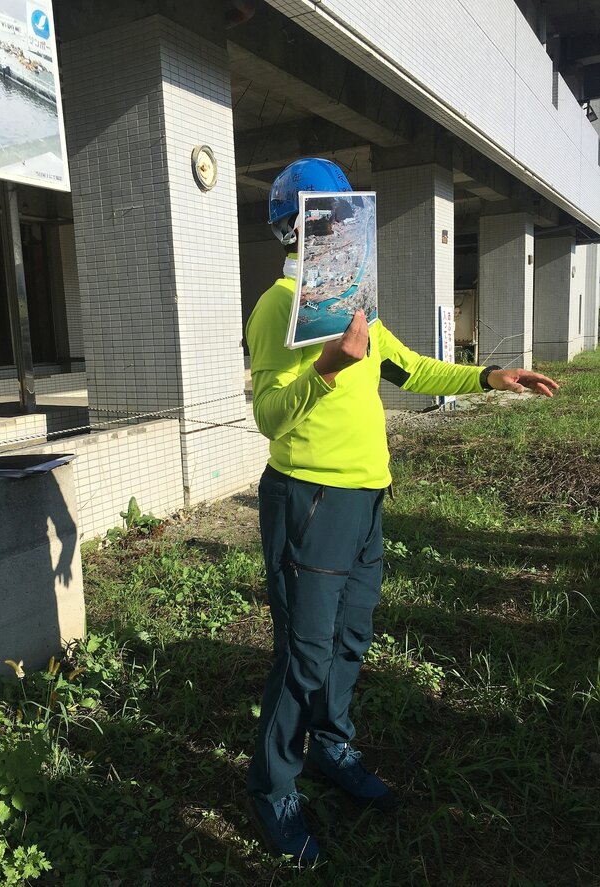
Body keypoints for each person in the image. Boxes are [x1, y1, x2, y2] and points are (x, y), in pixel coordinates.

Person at [244, 157, 558, 864]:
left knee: (349, 639)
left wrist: (488, 375)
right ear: (297, 228)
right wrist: (325, 368)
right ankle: (271, 786)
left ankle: (330, 746)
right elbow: (267, 414)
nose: (338, 230)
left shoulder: (356, 304)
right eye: (323, 217)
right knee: (303, 655)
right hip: (309, 498)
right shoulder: (276, 307)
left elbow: (409, 368)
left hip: (364, 498)